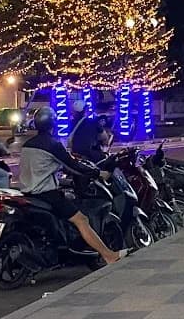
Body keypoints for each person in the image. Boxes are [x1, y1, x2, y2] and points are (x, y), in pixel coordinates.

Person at [19, 106, 126, 264]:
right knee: (81, 219)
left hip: (27, 194)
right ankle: (108, 255)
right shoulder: (53, 145)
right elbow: (73, 165)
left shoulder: (27, 145)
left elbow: (43, 167)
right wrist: (98, 173)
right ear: (53, 124)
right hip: (46, 195)